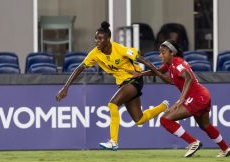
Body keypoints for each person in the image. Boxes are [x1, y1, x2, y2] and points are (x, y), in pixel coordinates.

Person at [56, 21, 169, 151]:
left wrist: (160, 75)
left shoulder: (120, 49)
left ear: (108, 39)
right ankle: (163, 106)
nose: (96, 41)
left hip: (134, 80)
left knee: (112, 104)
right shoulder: (95, 53)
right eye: (95, 38)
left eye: (100, 38)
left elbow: (144, 60)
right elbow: (79, 68)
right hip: (124, 84)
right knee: (139, 119)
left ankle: (113, 141)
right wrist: (66, 87)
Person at [126, 39, 230, 158]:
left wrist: (181, 100)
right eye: (160, 52)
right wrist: (141, 74)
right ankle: (225, 149)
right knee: (205, 125)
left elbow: (188, 78)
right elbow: (159, 71)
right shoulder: (170, 63)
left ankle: (193, 142)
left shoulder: (177, 64)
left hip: (197, 97)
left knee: (165, 120)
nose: (160, 55)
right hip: (202, 96)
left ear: (172, 52)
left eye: (163, 52)